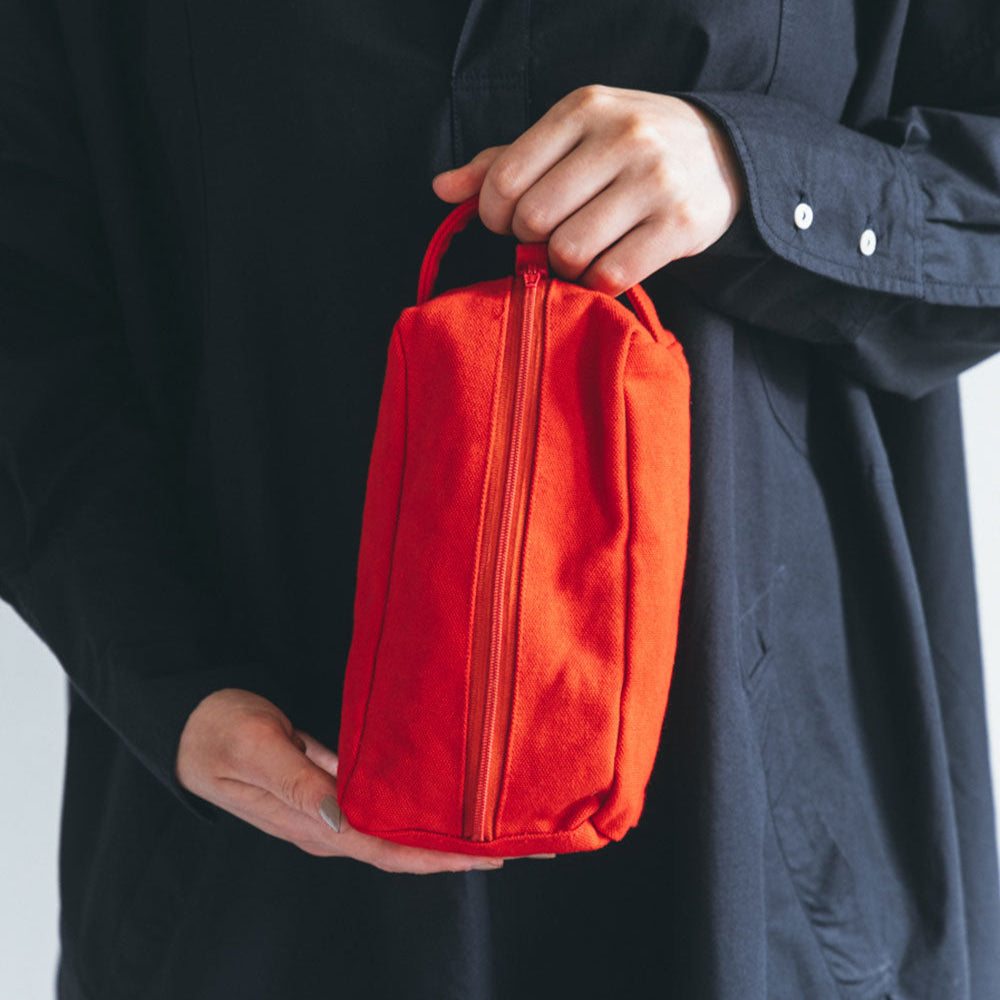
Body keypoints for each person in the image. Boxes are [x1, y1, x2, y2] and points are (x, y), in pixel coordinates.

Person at [1, 0, 998, 997]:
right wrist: (167, 682)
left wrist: (755, 178)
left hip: (761, 871)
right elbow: (28, 295)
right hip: (258, 863)